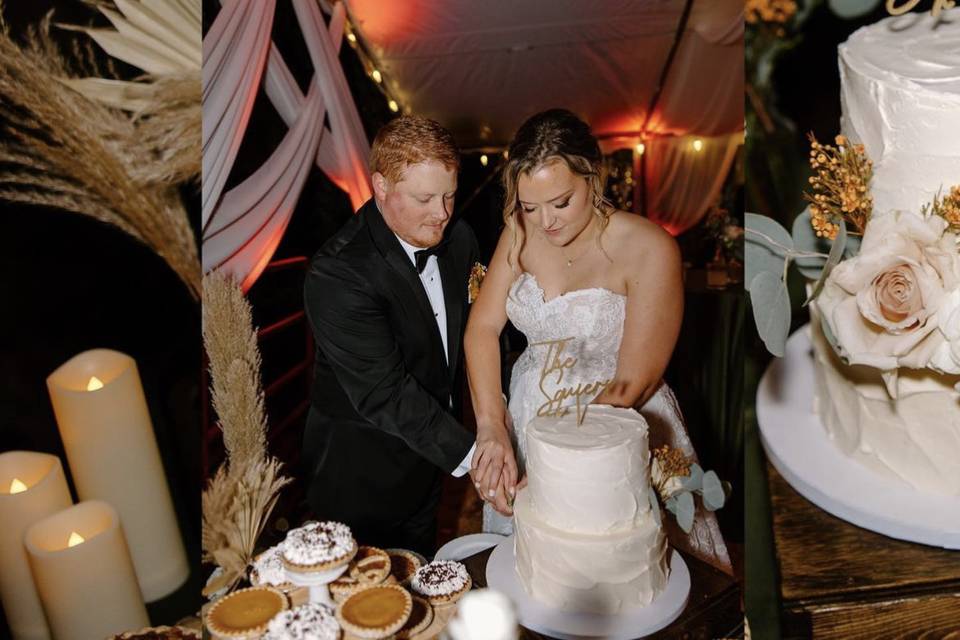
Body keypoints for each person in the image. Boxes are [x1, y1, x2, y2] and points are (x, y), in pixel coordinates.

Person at [464, 108, 687, 534]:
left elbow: (631, 384)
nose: (546, 222)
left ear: (594, 177)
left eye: (561, 202)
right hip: (531, 416)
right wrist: (493, 426)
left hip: (614, 424)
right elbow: (482, 328)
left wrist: (559, 467)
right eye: (530, 206)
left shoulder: (649, 247)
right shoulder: (518, 233)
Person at [302, 116, 505, 556]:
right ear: (381, 186)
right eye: (425, 198)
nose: (443, 213)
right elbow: (385, 392)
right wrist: (478, 459)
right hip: (361, 480)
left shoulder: (460, 238)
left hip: (429, 465)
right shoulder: (337, 273)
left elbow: (477, 332)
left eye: (449, 194)